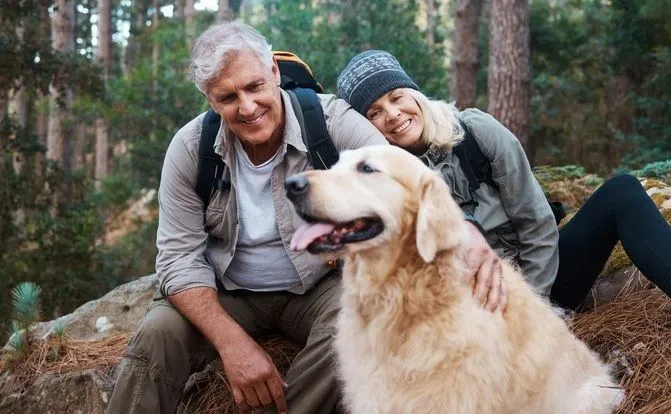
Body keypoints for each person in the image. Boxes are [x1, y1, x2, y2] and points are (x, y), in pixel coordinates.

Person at [106, 23, 503, 414]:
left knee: (360, 323)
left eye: (255, 86)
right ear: (209, 99)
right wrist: (232, 344)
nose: (247, 107)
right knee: (158, 334)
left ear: (274, 73)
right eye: (227, 97)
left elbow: (405, 179)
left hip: (319, 285)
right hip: (229, 290)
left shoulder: (330, 122)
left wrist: (467, 229)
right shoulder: (191, 149)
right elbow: (178, 259)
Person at [337, 49, 671, 382]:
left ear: (415, 93)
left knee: (622, 192)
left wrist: (541, 308)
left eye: (395, 96)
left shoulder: (474, 131)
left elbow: (536, 221)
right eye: (373, 112)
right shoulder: (386, 186)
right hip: (479, 311)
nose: (391, 114)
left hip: (544, 278)